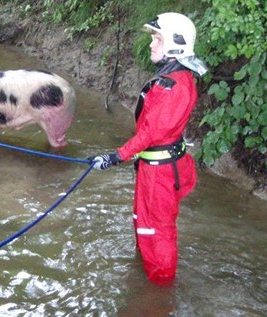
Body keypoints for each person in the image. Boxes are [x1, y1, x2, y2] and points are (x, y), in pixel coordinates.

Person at [88, 12, 208, 286]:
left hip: (161, 174)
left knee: (158, 230)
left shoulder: (174, 86)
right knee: (145, 224)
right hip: (154, 168)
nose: (152, 44)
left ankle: (161, 292)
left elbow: (151, 132)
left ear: (175, 45)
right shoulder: (171, 79)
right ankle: (147, 280)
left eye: (157, 38)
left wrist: (115, 156)